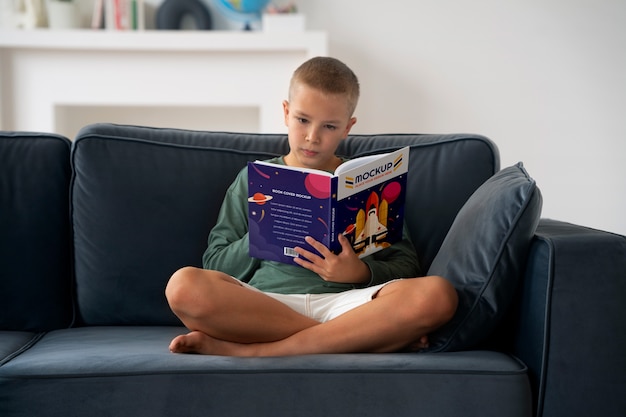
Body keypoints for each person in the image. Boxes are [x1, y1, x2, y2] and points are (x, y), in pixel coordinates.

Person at [165, 56, 458, 357]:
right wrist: (261, 235)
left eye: (329, 126)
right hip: (268, 304)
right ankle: (363, 337)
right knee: (183, 286)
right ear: (286, 112)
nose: (312, 137)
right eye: (302, 120)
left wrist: (358, 273)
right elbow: (214, 264)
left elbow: (408, 267)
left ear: (348, 128)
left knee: (438, 295)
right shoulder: (253, 179)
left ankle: (257, 352)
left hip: (347, 304)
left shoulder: (366, 182)